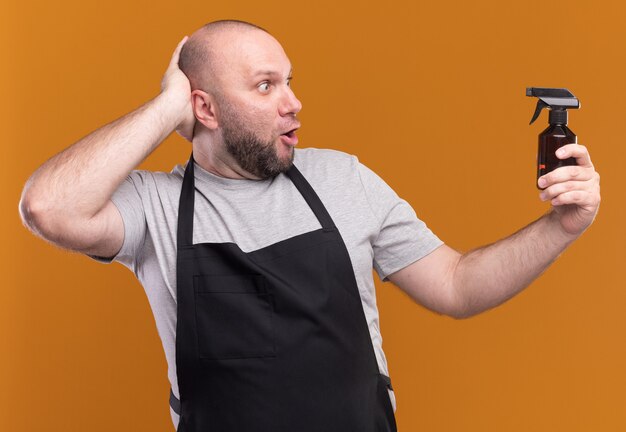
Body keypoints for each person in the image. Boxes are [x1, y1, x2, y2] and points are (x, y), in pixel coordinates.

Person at [18, 19, 601, 432]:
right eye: (266, 86)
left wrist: (563, 226)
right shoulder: (156, 208)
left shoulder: (342, 179)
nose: (293, 103)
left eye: (289, 81)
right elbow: (48, 208)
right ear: (205, 108)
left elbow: (457, 286)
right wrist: (167, 106)